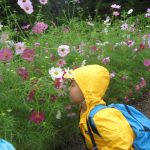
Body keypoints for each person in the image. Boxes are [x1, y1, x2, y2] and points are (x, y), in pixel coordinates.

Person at [64, 64, 135, 150]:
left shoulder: (101, 116)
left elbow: (122, 146)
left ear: (86, 89)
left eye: (72, 85)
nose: (69, 89)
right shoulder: (85, 111)